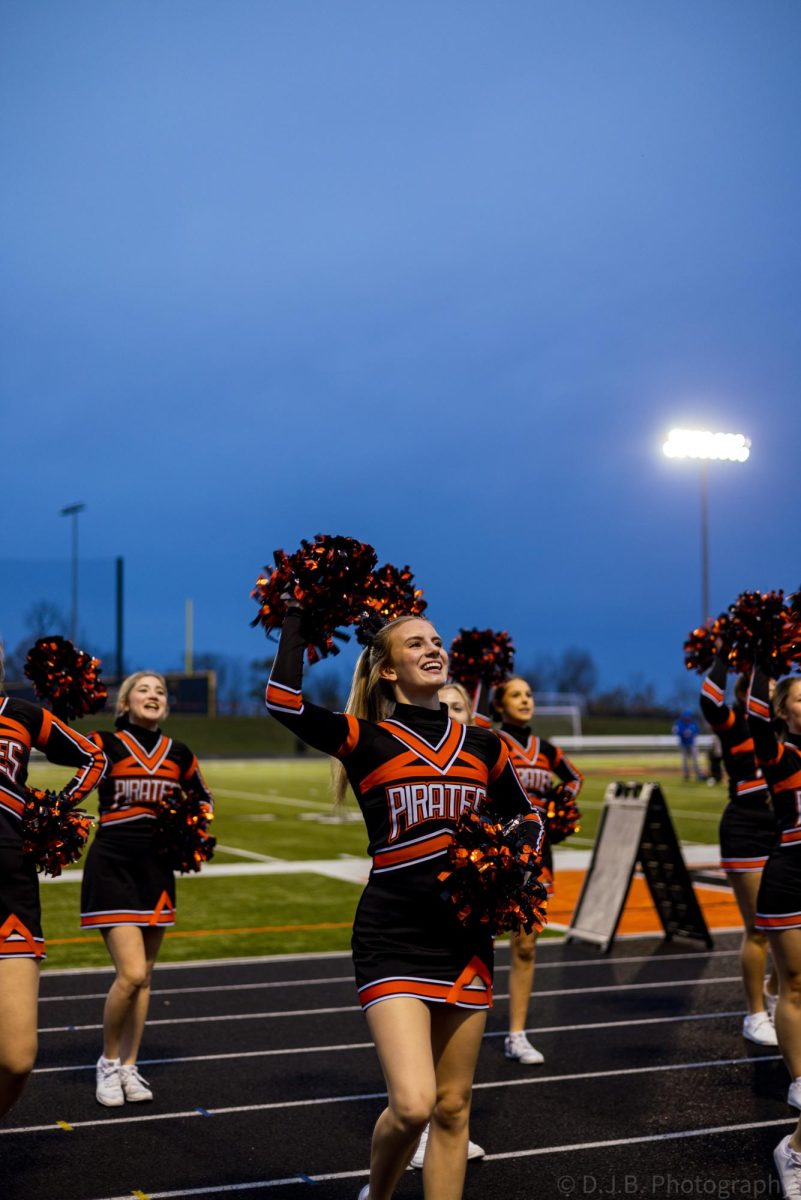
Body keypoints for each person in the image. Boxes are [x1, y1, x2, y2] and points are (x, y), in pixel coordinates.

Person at [266, 606, 543, 1200]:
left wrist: (516, 864)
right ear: (388, 670)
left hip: (465, 941)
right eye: (415, 644)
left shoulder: (485, 745)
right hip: (392, 937)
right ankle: (380, 1193)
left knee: (452, 1107)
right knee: (413, 1105)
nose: (432, 649)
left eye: (437, 641)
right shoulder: (364, 738)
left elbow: (527, 815)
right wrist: (295, 619)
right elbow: (282, 703)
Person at [80, 671, 213, 1107]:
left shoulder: (180, 753)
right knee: (131, 972)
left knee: (145, 979)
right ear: (124, 703)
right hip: (113, 864)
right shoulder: (106, 743)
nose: (153, 696)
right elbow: (70, 761)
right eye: (143, 689)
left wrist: (191, 827)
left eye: (159, 691)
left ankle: (130, 1066)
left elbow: (203, 799)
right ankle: (106, 1061)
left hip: (156, 870)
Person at [0, 649, 106, 1117]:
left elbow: (92, 756)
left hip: (11, 890)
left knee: (17, 1057)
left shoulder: (19, 714)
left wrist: (57, 808)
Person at [409, 680, 486, 1172]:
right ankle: (403, 1152)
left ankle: (440, 1130)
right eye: (448, 705)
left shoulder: (485, 753)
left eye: (462, 706)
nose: (454, 711)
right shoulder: (402, 746)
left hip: (468, 927)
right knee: (412, 1088)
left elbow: (521, 822)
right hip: (407, 924)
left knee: (453, 1093)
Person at [487, 676, 583, 1065]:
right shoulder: (492, 741)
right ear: (499, 705)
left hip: (537, 855)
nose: (525, 700)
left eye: (528, 694)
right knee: (478, 937)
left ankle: (516, 1034)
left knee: (526, 945)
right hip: (494, 853)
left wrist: (560, 809)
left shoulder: (545, 749)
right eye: (516, 694)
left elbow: (575, 778)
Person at [699, 657, 779, 1045]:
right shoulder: (736, 724)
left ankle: (778, 989)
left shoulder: (787, 732)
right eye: (760, 687)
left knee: (790, 927)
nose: (767, 694)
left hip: (786, 832)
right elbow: (710, 700)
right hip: (746, 830)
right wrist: (724, 652)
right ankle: (755, 1013)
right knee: (760, 929)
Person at [746, 671, 801, 1197]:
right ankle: (800, 1080)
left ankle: (796, 1149)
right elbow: (753, 715)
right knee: (797, 986)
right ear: (783, 711)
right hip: (791, 876)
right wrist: (763, 650)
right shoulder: (781, 757)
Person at [672, 709, 703, 782]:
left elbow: (697, 730)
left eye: (688, 717)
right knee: (685, 760)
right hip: (683, 744)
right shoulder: (679, 723)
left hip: (692, 743)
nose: (687, 718)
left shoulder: (693, 723)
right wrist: (683, 733)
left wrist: (692, 733)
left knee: (695, 760)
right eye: (686, 717)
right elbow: (675, 731)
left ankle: (698, 774)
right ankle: (686, 774)